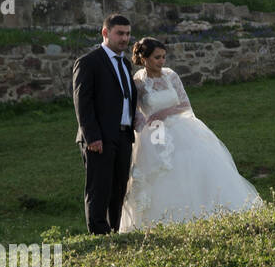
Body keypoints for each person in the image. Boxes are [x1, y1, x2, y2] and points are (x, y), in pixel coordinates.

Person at [119, 37, 263, 232]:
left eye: (163, 57)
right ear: (144, 59)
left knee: (197, 164)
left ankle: (211, 211)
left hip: (181, 127)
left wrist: (163, 114)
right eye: (156, 57)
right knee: (161, 172)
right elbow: (134, 109)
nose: (162, 61)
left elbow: (185, 104)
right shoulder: (138, 82)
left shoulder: (171, 76)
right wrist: (145, 123)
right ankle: (164, 220)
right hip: (155, 133)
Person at [72, 14, 137, 234]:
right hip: (99, 137)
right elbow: (83, 102)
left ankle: (115, 230)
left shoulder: (125, 64)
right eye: (120, 33)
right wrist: (92, 136)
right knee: (99, 187)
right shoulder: (89, 62)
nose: (124, 38)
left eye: (127, 34)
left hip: (123, 135)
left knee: (119, 188)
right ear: (105, 33)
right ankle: (99, 234)